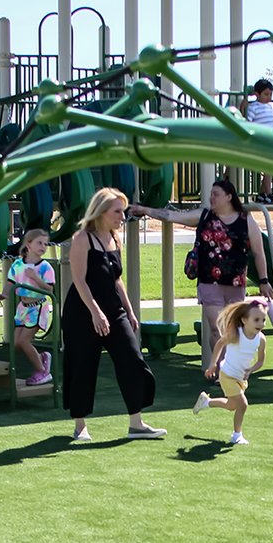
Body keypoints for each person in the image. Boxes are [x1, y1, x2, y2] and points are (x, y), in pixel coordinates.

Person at [131, 176, 273, 357]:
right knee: (217, 329)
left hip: (236, 283)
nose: (211, 198)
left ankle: (231, 367)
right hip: (209, 281)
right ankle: (219, 369)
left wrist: (263, 280)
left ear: (229, 197)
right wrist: (144, 209)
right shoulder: (205, 215)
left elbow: (259, 253)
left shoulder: (246, 220)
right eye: (211, 194)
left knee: (233, 329)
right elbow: (171, 216)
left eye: (216, 194)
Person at [64, 187, 165, 443]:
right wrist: (95, 312)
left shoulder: (114, 237)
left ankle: (137, 423)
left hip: (113, 309)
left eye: (124, 210)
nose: (123, 216)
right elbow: (79, 280)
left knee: (132, 359)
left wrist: (130, 311)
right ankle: (80, 425)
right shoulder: (81, 239)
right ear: (101, 211)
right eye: (117, 211)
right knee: (82, 366)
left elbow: (116, 279)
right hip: (83, 311)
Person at [193, 297, 268, 445]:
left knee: (231, 406)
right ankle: (236, 435)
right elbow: (220, 343)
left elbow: (260, 361)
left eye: (263, 320)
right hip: (227, 375)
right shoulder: (236, 334)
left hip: (241, 378)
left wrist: (251, 370)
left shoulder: (261, 339)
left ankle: (207, 402)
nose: (261, 324)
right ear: (244, 320)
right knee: (243, 405)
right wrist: (213, 364)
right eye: (257, 319)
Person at [8, 228, 56, 386]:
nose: (43, 246)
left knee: (23, 341)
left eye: (45, 244)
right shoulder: (17, 264)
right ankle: (42, 358)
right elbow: (10, 281)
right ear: (28, 244)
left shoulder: (45, 267)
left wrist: (35, 277)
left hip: (37, 307)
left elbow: (49, 290)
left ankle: (42, 371)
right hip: (23, 308)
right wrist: (3, 293)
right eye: (39, 243)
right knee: (15, 343)